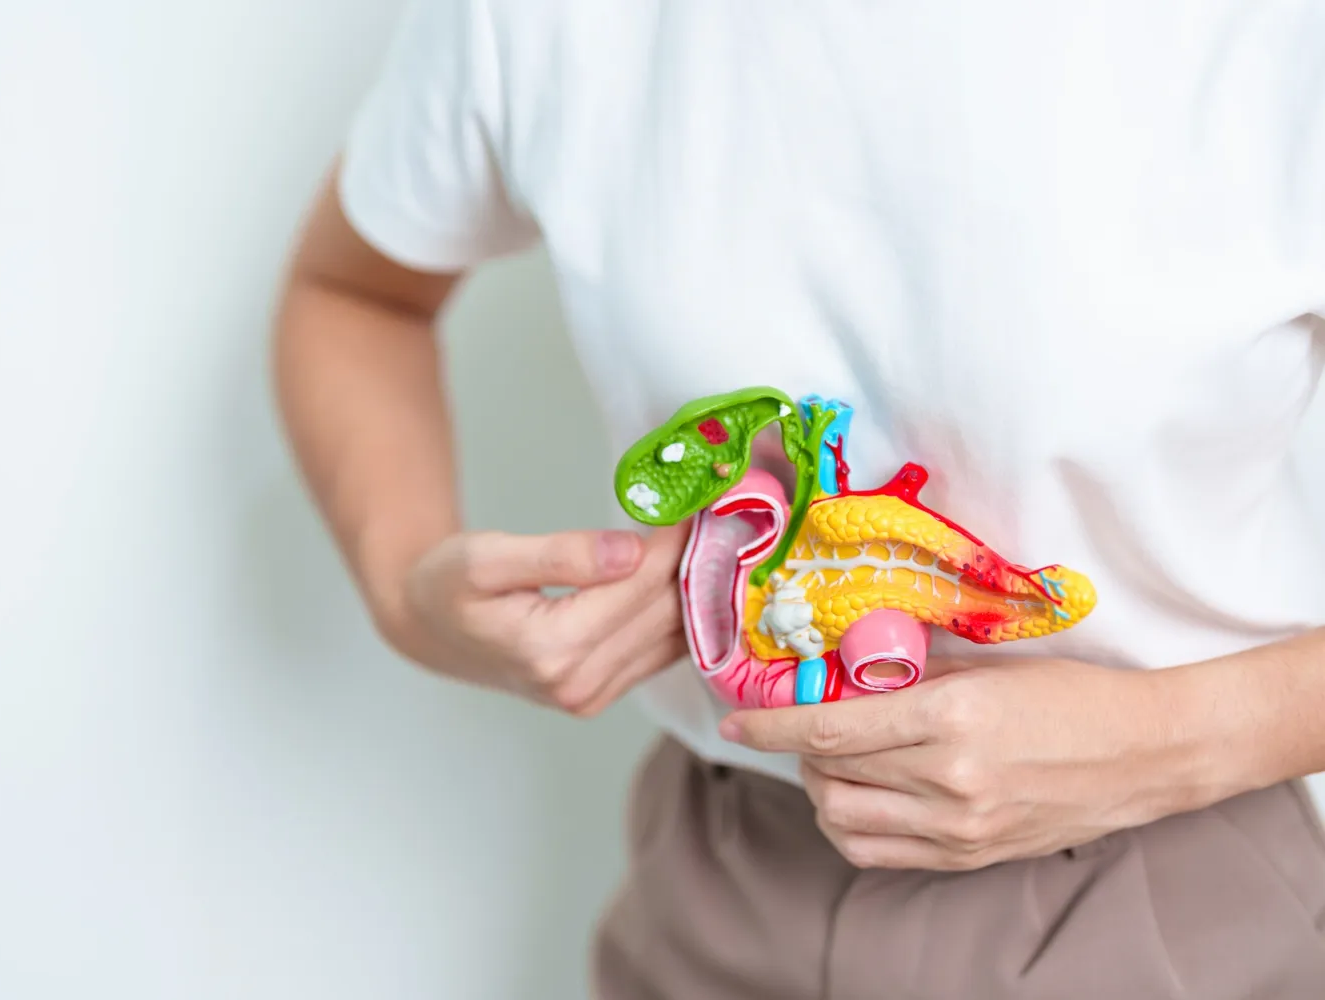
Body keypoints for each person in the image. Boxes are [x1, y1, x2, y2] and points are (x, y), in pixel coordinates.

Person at [272, 1, 1325, 996]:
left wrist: (1164, 739)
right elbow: (354, 294)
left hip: (1169, 910)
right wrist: (408, 589)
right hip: (719, 887)